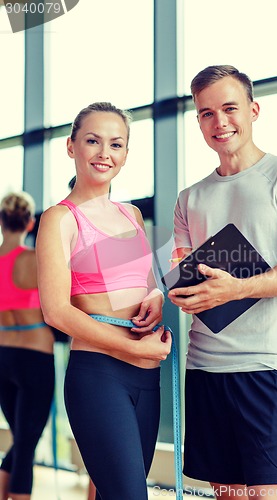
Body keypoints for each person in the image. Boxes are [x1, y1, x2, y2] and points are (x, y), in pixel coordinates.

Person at [168, 65, 277, 500]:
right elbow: (183, 274)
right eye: (206, 113)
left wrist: (235, 288)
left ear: (253, 110)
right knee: (229, 497)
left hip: (268, 368)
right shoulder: (190, 198)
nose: (219, 122)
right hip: (205, 369)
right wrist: (176, 292)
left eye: (229, 108)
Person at [36, 102, 172, 500]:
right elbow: (56, 311)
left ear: (126, 154)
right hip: (99, 375)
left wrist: (157, 297)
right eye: (92, 141)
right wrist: (132, 345)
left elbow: (144, 285)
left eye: (116, 144)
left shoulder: (131, 214)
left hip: (147, 377)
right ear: (71, 146)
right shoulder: (59, 219)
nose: (104, 153)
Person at [0, 192, 55, 500]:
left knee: (22, 439)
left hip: (2, 353)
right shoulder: (34, 259)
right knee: (25, 443)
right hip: (34, 356)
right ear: (30, 223)